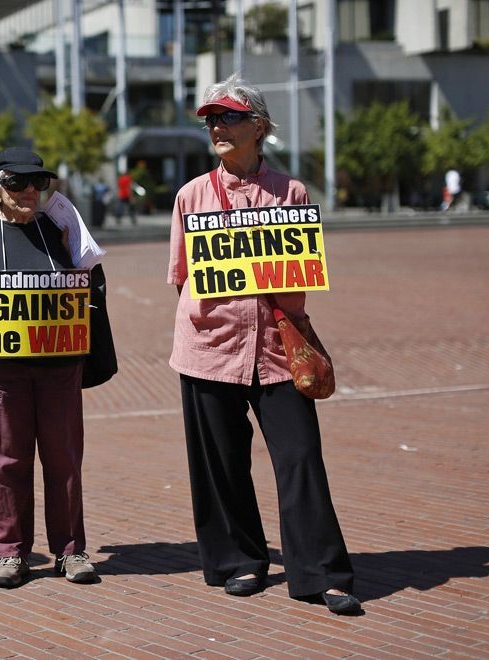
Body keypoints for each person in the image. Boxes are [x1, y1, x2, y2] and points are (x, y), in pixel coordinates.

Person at [166, 75, 360, 615]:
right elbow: (183, 277)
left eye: (228, 117)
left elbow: (300, 273)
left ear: (259, 125)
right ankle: (239, 562)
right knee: (221, 464)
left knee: (300, 457)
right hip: (209, 346)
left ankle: (320, 572)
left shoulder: (292, 193)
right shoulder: (192, 195)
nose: (216, 127)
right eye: (210, 119)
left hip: (277, 349)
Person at [0, 147, 96, 588]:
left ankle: (71, 551)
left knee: (64, 458)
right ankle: (11, 553)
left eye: (39, 182)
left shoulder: (60, 227)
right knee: (8, 460)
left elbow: (88, 284)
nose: (30, 190)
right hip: (3, 371)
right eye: (18, 183)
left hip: (59, 367)